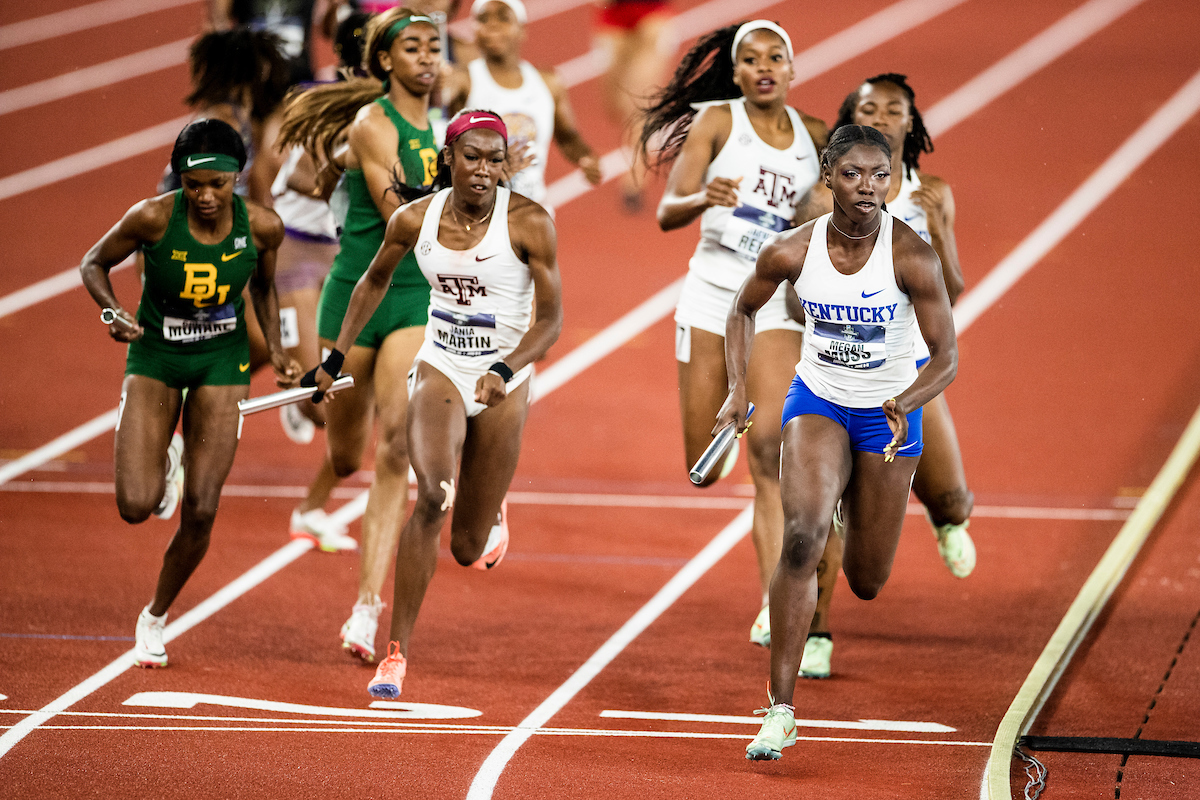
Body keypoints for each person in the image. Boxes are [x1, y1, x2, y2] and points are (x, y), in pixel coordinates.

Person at [305, 110, 562, 699]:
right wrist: (335, 359)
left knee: (466, 548)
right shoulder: (412, 220)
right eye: (472, 158)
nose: (484, 171)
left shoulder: (529, 224)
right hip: (443, 363)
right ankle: (395, 655)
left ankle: (492, 504)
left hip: (503, 377)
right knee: (430, 496)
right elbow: (372, 282)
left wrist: (505, 368)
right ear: (448, 158)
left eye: (495, 161)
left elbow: (551, 319)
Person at [719, 125, 957, 760]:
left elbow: (947, 357)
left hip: (887, 414)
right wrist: (738, 386)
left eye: (880, 175)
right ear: (828, 177)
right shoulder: (793, 250)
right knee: (801, 537)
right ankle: (780, 709)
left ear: (893, 181)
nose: (868, 187)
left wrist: (905, 401)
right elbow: (741, 310)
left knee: (867, 580)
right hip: (818, 400)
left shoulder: (911, 257)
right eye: (853, 174)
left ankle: (852, 500)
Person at [79, 119, 301, 668]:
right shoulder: (152, 217)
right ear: (179, 178)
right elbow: (93, 263)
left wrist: (278, 348)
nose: (205, 196)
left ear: (237, 179)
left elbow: (266, 288)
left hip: (222, 361)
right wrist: (112, 310)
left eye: (218, 185)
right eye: (194, 184)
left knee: (202, 508)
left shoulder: (264, 227)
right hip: (156, 356)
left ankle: (154, 616)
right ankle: (163, 454)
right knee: (135, 506)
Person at [639, 20, 827, 652]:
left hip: (772, 302)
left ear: (793, 68)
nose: (765, 66)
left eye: (777, 56)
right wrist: (702, 198)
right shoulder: (718, 121)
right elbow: (668, 212)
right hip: (710, 296)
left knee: (769, 451)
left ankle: (776, 604)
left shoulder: (815, 138)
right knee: (704, 465)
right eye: (751, 59)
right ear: (738, 72)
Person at [794, 74, 976, 680]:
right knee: (816, 510)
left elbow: (951, 289)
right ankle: (813, 630)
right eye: (869, 108)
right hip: (835, 371)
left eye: (894, 109)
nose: (883, 116)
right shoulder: (830, 198)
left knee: (949, 493)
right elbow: (795, 289)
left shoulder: (931, 194)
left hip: (912, 371)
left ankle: (944, 519)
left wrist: (936, 230)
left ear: (911, 122)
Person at [277, 7, 443, 663]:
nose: (428, 56)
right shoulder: (375, 123)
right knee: (346, 454)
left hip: (413, 298)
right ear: (384, 61)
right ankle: (318, 485)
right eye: (413, 47)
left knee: (395, 450)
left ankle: (366, 608)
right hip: (354, 299)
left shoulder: (442, 125)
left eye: (436, 46)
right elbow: (396, 212)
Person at [270, 12, 374, 553]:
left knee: (370, 397)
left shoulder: (392, 108)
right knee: (316, 401)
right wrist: (372, 175)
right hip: (295, 250)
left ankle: (310, 508)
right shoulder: (320, 99)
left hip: (348, 257)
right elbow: (307, 177)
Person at [443, 0, 602, 209]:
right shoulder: (464, 81)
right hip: (479, 213)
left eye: (503, 17)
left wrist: (585, 157)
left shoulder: (547, 82)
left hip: (532, 209)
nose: (492, 25)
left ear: (522, 29)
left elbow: (568, 137)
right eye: (483, 19)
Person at [595, 0, 676, 210]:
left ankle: (634, 181)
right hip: (613, 19)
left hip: (652, 17)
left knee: (640, 102)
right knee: (616, 106)